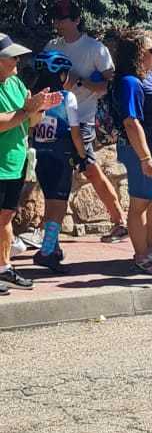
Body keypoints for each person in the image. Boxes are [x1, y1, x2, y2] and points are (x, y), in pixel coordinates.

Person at [42, 0, 128, 242]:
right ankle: (47, 233)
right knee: (55, 174)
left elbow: (108, 83)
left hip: (83, 120)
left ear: (77, 20)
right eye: (56, 18)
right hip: (55, 119)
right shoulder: (52, 46)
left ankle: (119, 221)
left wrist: (78, 81)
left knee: (89, 169)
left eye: (63, 18)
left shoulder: (94, 48)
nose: (58, 23)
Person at [0, 36, 63, 294]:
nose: (17, 61)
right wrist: (27, 111)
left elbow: (31, 122)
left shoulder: (15, 83)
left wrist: (39, 108)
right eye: (12, 57)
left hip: (15, 163)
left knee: (6, 217)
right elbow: (2, 122)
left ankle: (3, 268)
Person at [113, 31, 152, 275]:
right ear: (138, 54)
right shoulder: (130, 82)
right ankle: (141, 255)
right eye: (151, 51)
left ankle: (149, 248)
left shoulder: (148, 76)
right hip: (142, 153)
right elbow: (131, 122)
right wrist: (145, 157)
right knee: (140, 205)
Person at [27, 51, 86, 273]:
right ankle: (47, 252)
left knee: (50, 202)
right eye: (64, 72)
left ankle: (54, 246)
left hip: (42, 156)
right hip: (61, 157)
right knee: (58, 208)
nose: (66, 76)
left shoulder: (34, 96)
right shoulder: (66, 97)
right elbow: (75, 133)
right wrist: (83, 156)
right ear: (57, 73)